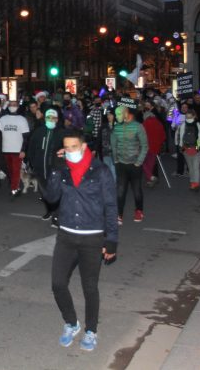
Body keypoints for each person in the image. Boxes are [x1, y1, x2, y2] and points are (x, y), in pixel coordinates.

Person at [45, 129, 118, 352]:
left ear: (84, 147)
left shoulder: (100, 171)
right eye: (66, 148)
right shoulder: (63, 169)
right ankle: (71, 323)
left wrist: (111, 239)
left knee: (89, 287)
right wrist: (56, 170)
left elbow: (111, 206)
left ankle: (91, 331)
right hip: (66, 235)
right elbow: (51, 198)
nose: (70, 151)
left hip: (92, 237)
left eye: (74, 147)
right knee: (58, 284)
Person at [26, 108, 67, 219]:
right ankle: (49, 210)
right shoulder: (38, 131)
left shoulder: (62, 133)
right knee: (44, 192)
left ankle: (56, 214)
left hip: (55, 169)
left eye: (53, 118)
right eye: (48, 117)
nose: (51, 119)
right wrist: (32, 162)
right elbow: (31, 147)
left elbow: (67, 149)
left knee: (56, 192)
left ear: (57, 119)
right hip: (39, 168)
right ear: (45, 118)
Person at [110, 104, 148, 224]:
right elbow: (113, 144)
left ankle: (139, 211)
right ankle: (119, 213)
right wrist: (115, 160)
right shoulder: (116, 127)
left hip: (135, 165)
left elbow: (145, 145)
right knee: (120, 191)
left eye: (119, 114)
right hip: (121, 164)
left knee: (137, 190)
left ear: (126, 113)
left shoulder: (138, 126)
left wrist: (139, 162)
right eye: (116, 114)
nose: (116, 117)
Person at [0, 100, 30, 197]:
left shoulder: (22, 119)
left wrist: (23, 150)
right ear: (8, 106)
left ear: (18, 106)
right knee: (10, 170)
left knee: (16, 170)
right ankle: (16, 186)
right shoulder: (3, 119)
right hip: (6, 149)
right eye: (11, 105)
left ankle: (14, 189)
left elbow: (26, 136)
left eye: (14, 105)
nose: (12, 106)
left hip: (17, 150)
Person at [175, 108, 200, 190]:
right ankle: (193, 183)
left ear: (194, 116)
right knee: (191, 167)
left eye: (190, 117)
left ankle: (196, 183)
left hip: (194, 149)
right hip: (189, 149)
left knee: (194, 167)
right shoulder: (195, 125)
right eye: (187, 117)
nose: (188, 119)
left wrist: (199, 148)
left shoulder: (186, 125)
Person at [141, 107, 165, 187]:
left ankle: (150, 177)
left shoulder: (144, 124)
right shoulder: (159, 123)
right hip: (156, 147)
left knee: (143, 162)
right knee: (151, 164)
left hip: (146, 147)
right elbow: (163, 136)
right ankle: (150, 180)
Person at [99, 110, 117, 180]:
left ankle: (113, 184)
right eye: (108, 115)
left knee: (113, 170)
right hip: (105, 152)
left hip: (115, 153)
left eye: (110, 115)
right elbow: (99, 138)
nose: (108, 116)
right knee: (107, 170)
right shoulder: (103, 126)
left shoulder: (118, 126)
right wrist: (95, 149)